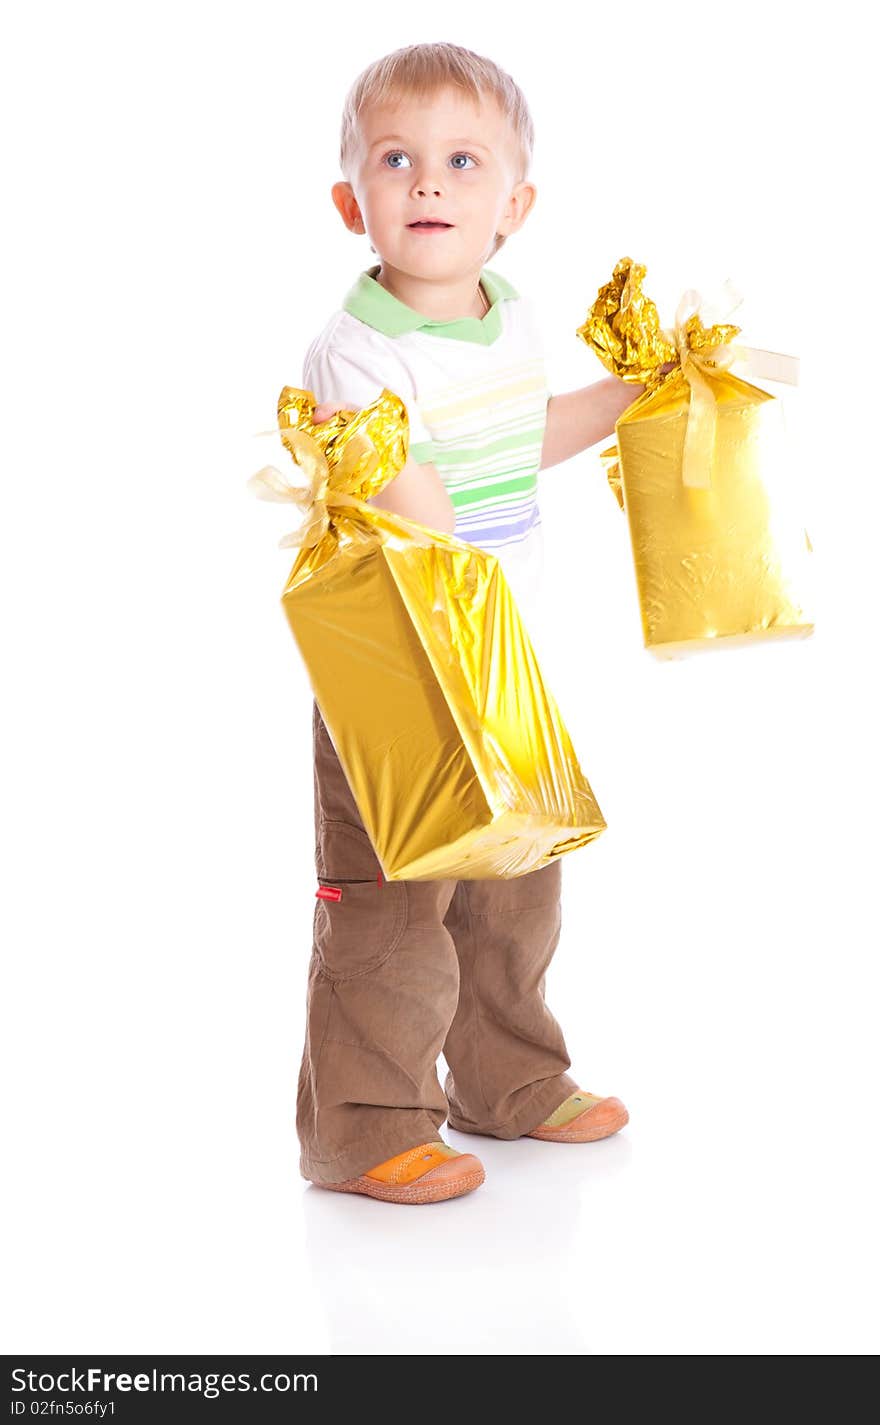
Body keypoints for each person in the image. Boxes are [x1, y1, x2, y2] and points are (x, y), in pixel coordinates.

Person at [296, 42, 660, 1205]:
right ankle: (363, 1128)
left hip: (507, 667)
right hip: (401, 677)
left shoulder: (508, 322)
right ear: (355, 201)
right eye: (397, 161)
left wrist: (625, 401)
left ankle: (506, 1079)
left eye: (462, 161)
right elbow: (411, 495)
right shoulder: (358, 349)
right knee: (394, 907)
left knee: (515, 888)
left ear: (514, 205)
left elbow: (519, 438)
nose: (430, 185)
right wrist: (436, 547)